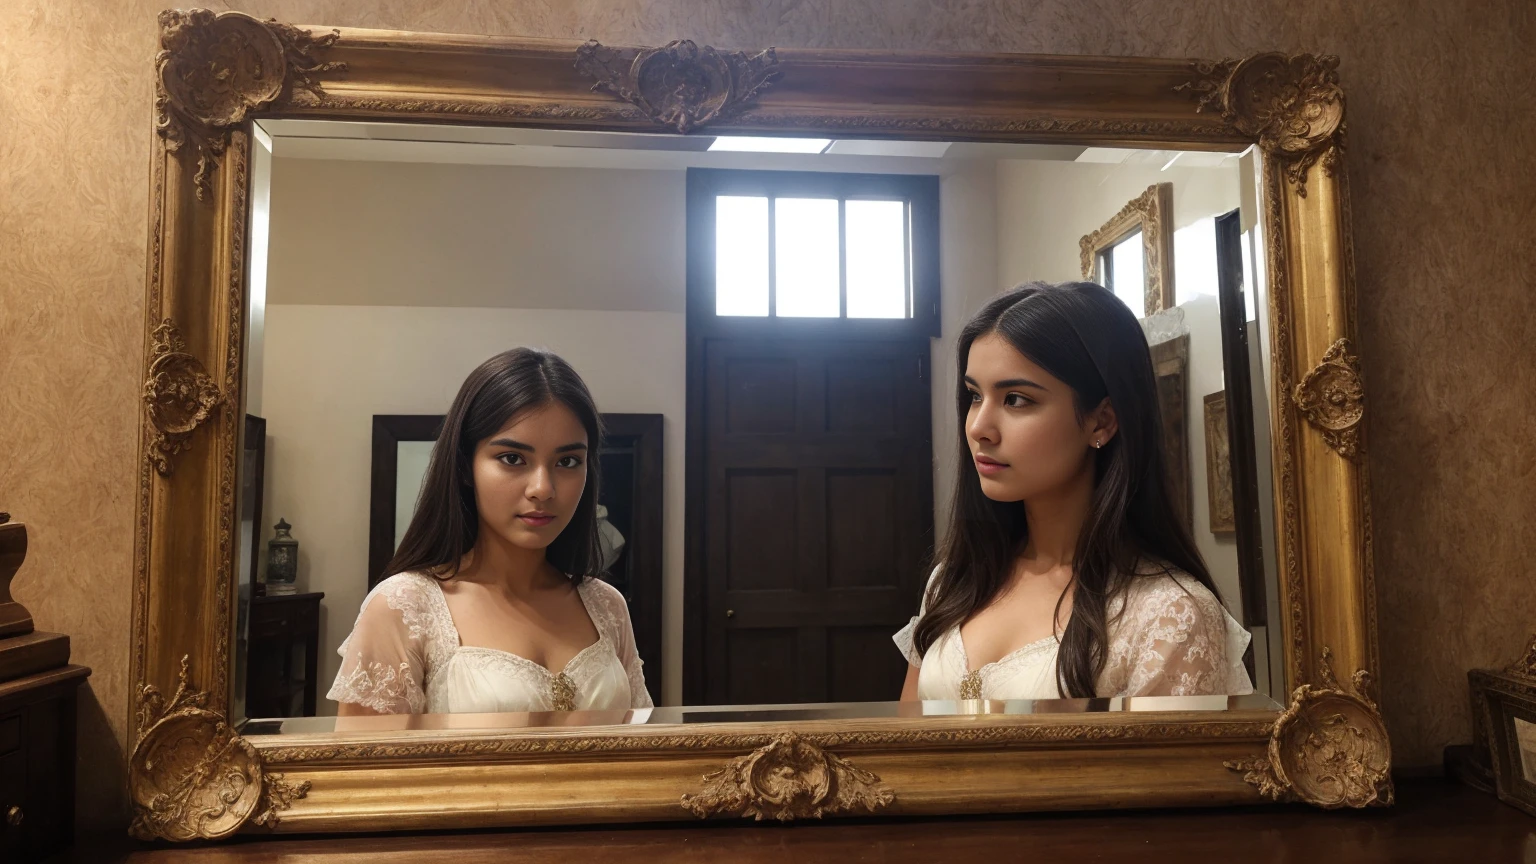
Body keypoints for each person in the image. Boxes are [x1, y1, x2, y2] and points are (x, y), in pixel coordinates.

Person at [895, 282, 1252, 701]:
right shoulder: (956, 580)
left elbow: (1169, 769)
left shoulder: (1167, 615)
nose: (978, 427)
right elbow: (906, 747)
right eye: (975, 396)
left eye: (1015, 399)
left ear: (1101, 422)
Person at [328, 348, 652, 715]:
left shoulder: (606, 606)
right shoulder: (404, 607)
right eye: (513, 459)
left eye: (567, 461)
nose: (543, 488)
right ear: (466, 466)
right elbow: (362, 770)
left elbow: (642, 750)